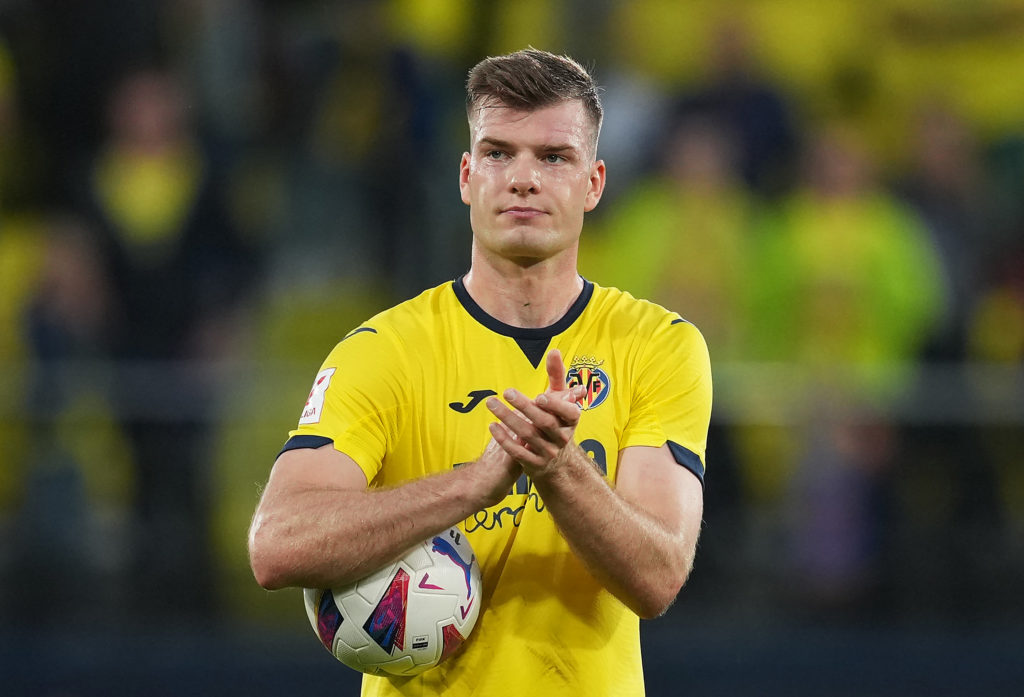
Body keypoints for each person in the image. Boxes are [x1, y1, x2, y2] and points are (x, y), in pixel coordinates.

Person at [248, 48, 712, 697]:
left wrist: (558, 468)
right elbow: (277, 544)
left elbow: (658, 576)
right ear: (467, 176)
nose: (523, 178)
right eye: (499, 153)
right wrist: (470, 486)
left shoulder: (658, 345)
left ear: (595, 183)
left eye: (554, 157)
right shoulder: (384, 349)